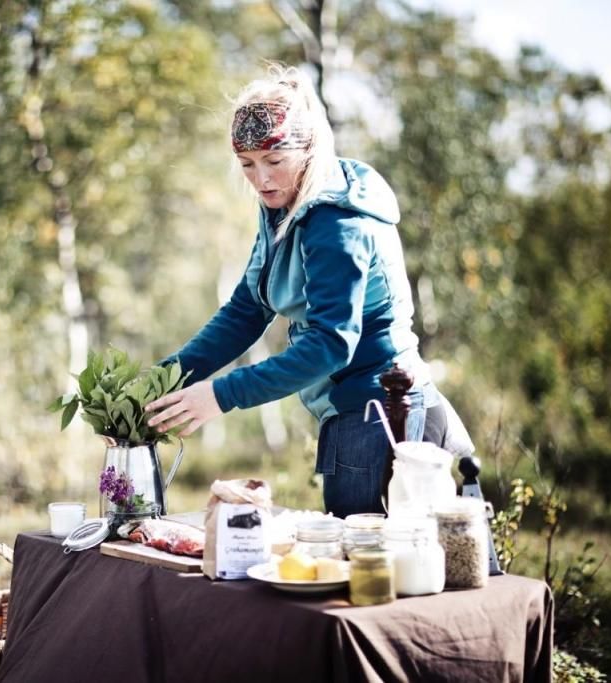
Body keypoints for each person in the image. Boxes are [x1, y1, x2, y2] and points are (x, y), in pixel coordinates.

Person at [146, 64, 473, 518]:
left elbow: (329, 345)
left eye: (274, 162)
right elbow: (248, 308)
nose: (261, 179)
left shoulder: (336, 222)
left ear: (310, 150)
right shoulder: (283, 208)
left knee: (375, 571)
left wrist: (220, 395)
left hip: (382, 413)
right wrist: (158, 382)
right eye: (248, 165)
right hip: (350, 412)